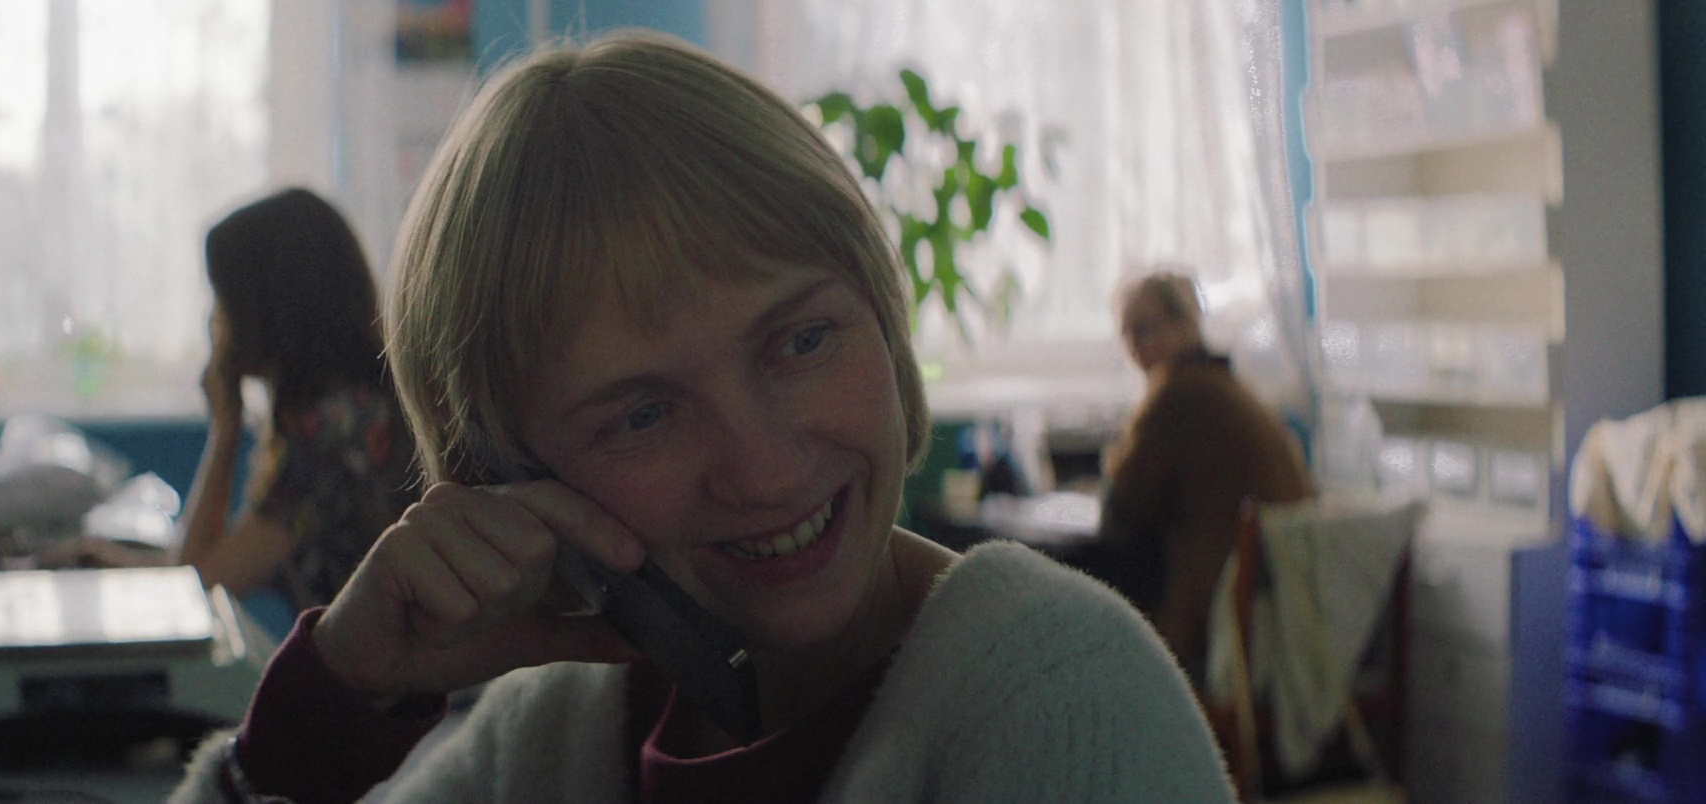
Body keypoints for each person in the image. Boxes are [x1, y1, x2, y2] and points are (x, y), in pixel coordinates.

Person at [170, 33, 1233, 804]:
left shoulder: (1061, 700)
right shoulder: (559, 735)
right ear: (506, 483)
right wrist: (325, 712)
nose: (762, 468)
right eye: (642, 414)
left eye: (801, 341)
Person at [173, 187, 417, 613]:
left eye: (224, 298)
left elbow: (196, 588)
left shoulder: (331, 436)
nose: (214, 319)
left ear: (269, 306)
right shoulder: (356, 408)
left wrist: (226, 426)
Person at [1094, 270, 1315, 684]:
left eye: (1145, 329)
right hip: (1278, 609)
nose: (1135, 346)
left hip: (1218, 617)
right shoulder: (1223, 384)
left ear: (1184, 324)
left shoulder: (1179, 394)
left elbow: (1126, 499)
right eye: (1126, 333)